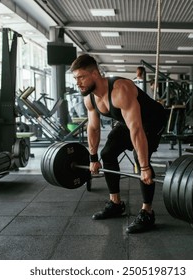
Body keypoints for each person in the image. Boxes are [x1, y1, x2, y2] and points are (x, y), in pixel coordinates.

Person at [70, 54, 167, 233]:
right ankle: (115, 203)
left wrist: (145, 167)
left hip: (152, 121)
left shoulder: (120, 89)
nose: (78, 83)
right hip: (127, 121)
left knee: (139, 159)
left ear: (95, 74)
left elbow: (136, 129)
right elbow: (93, 128)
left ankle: (147, 212)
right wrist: (93, 158)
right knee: (107, 154)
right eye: (75, 78)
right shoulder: (90, 98)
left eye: (81, 77)